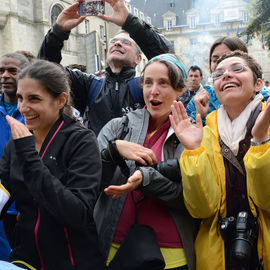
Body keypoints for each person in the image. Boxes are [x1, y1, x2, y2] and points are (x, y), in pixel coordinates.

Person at [0, 60, 105, 270]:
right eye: (20, 98)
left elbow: (78, 213)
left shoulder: (81, 140)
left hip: (73, 260)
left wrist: (30, 157)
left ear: (60, 101)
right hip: (26, 257)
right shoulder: (17, 143)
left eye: (34, 99)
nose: (23, 107)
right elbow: (3, 191)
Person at [95, 54, 196, 270]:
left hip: (171, 254)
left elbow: (189, 198)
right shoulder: (116, 127)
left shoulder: (192, 135)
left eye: (163, 83)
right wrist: (112, 152)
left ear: (180, 90)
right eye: (148, 82)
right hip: (114, 246)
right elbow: (92, 183)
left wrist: (147, 180)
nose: (153, 91)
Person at [170, 51, 270, 269]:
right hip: (219, 256)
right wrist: (194, 150)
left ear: (258, 84)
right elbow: (202, 209)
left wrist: (261, 141)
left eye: (237, 69)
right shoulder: (204, 133)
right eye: (218, 74)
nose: (226, 76)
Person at [38, 0, 172, 135]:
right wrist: (58, 31)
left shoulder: (145, 87)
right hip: (95, 155)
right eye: (113, 42)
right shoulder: (88, 84)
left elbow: (170, 63)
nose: (118, 44)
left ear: (138, 58)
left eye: (126, 42)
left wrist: (131, 23)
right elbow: (44, 71)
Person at [186, 36, 270, 124]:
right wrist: (198, 118)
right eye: (215, 60)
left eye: (229, 57)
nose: (222, 64)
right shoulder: (198, 101)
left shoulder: (266, 100)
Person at [0, 53, 30, 261]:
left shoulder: (33, 112)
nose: (5, 76)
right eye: (1, 71)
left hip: (24, 207)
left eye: (12, 71)